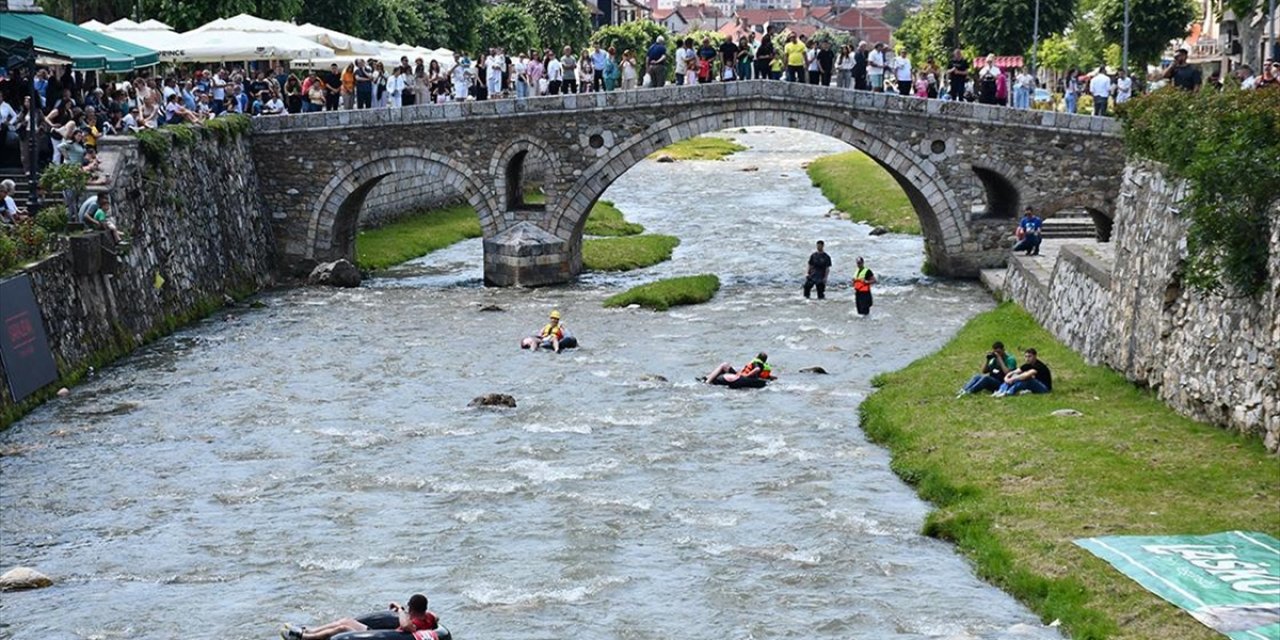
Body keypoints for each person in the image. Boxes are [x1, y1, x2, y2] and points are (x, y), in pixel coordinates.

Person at [281, 593, 440, 640]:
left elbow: (406, 626)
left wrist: (401, 610)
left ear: (411, 608)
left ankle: (306, 638)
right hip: (383, 635)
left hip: (382, 638)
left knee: (343, 628)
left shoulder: (414, 622)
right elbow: (436, 618)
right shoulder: (429, 618)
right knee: (346, 620)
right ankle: (311, 630)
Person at [702, 352, 773, 385]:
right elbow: (765, 375)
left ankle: (707, 381)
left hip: (742, 377)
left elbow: (757, 369)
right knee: (725, 367)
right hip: (743, 377)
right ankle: (707, 377)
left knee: (724, 365)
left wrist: (747, 375)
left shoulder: (757, 363)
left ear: (757, 357)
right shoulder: (763, 366)